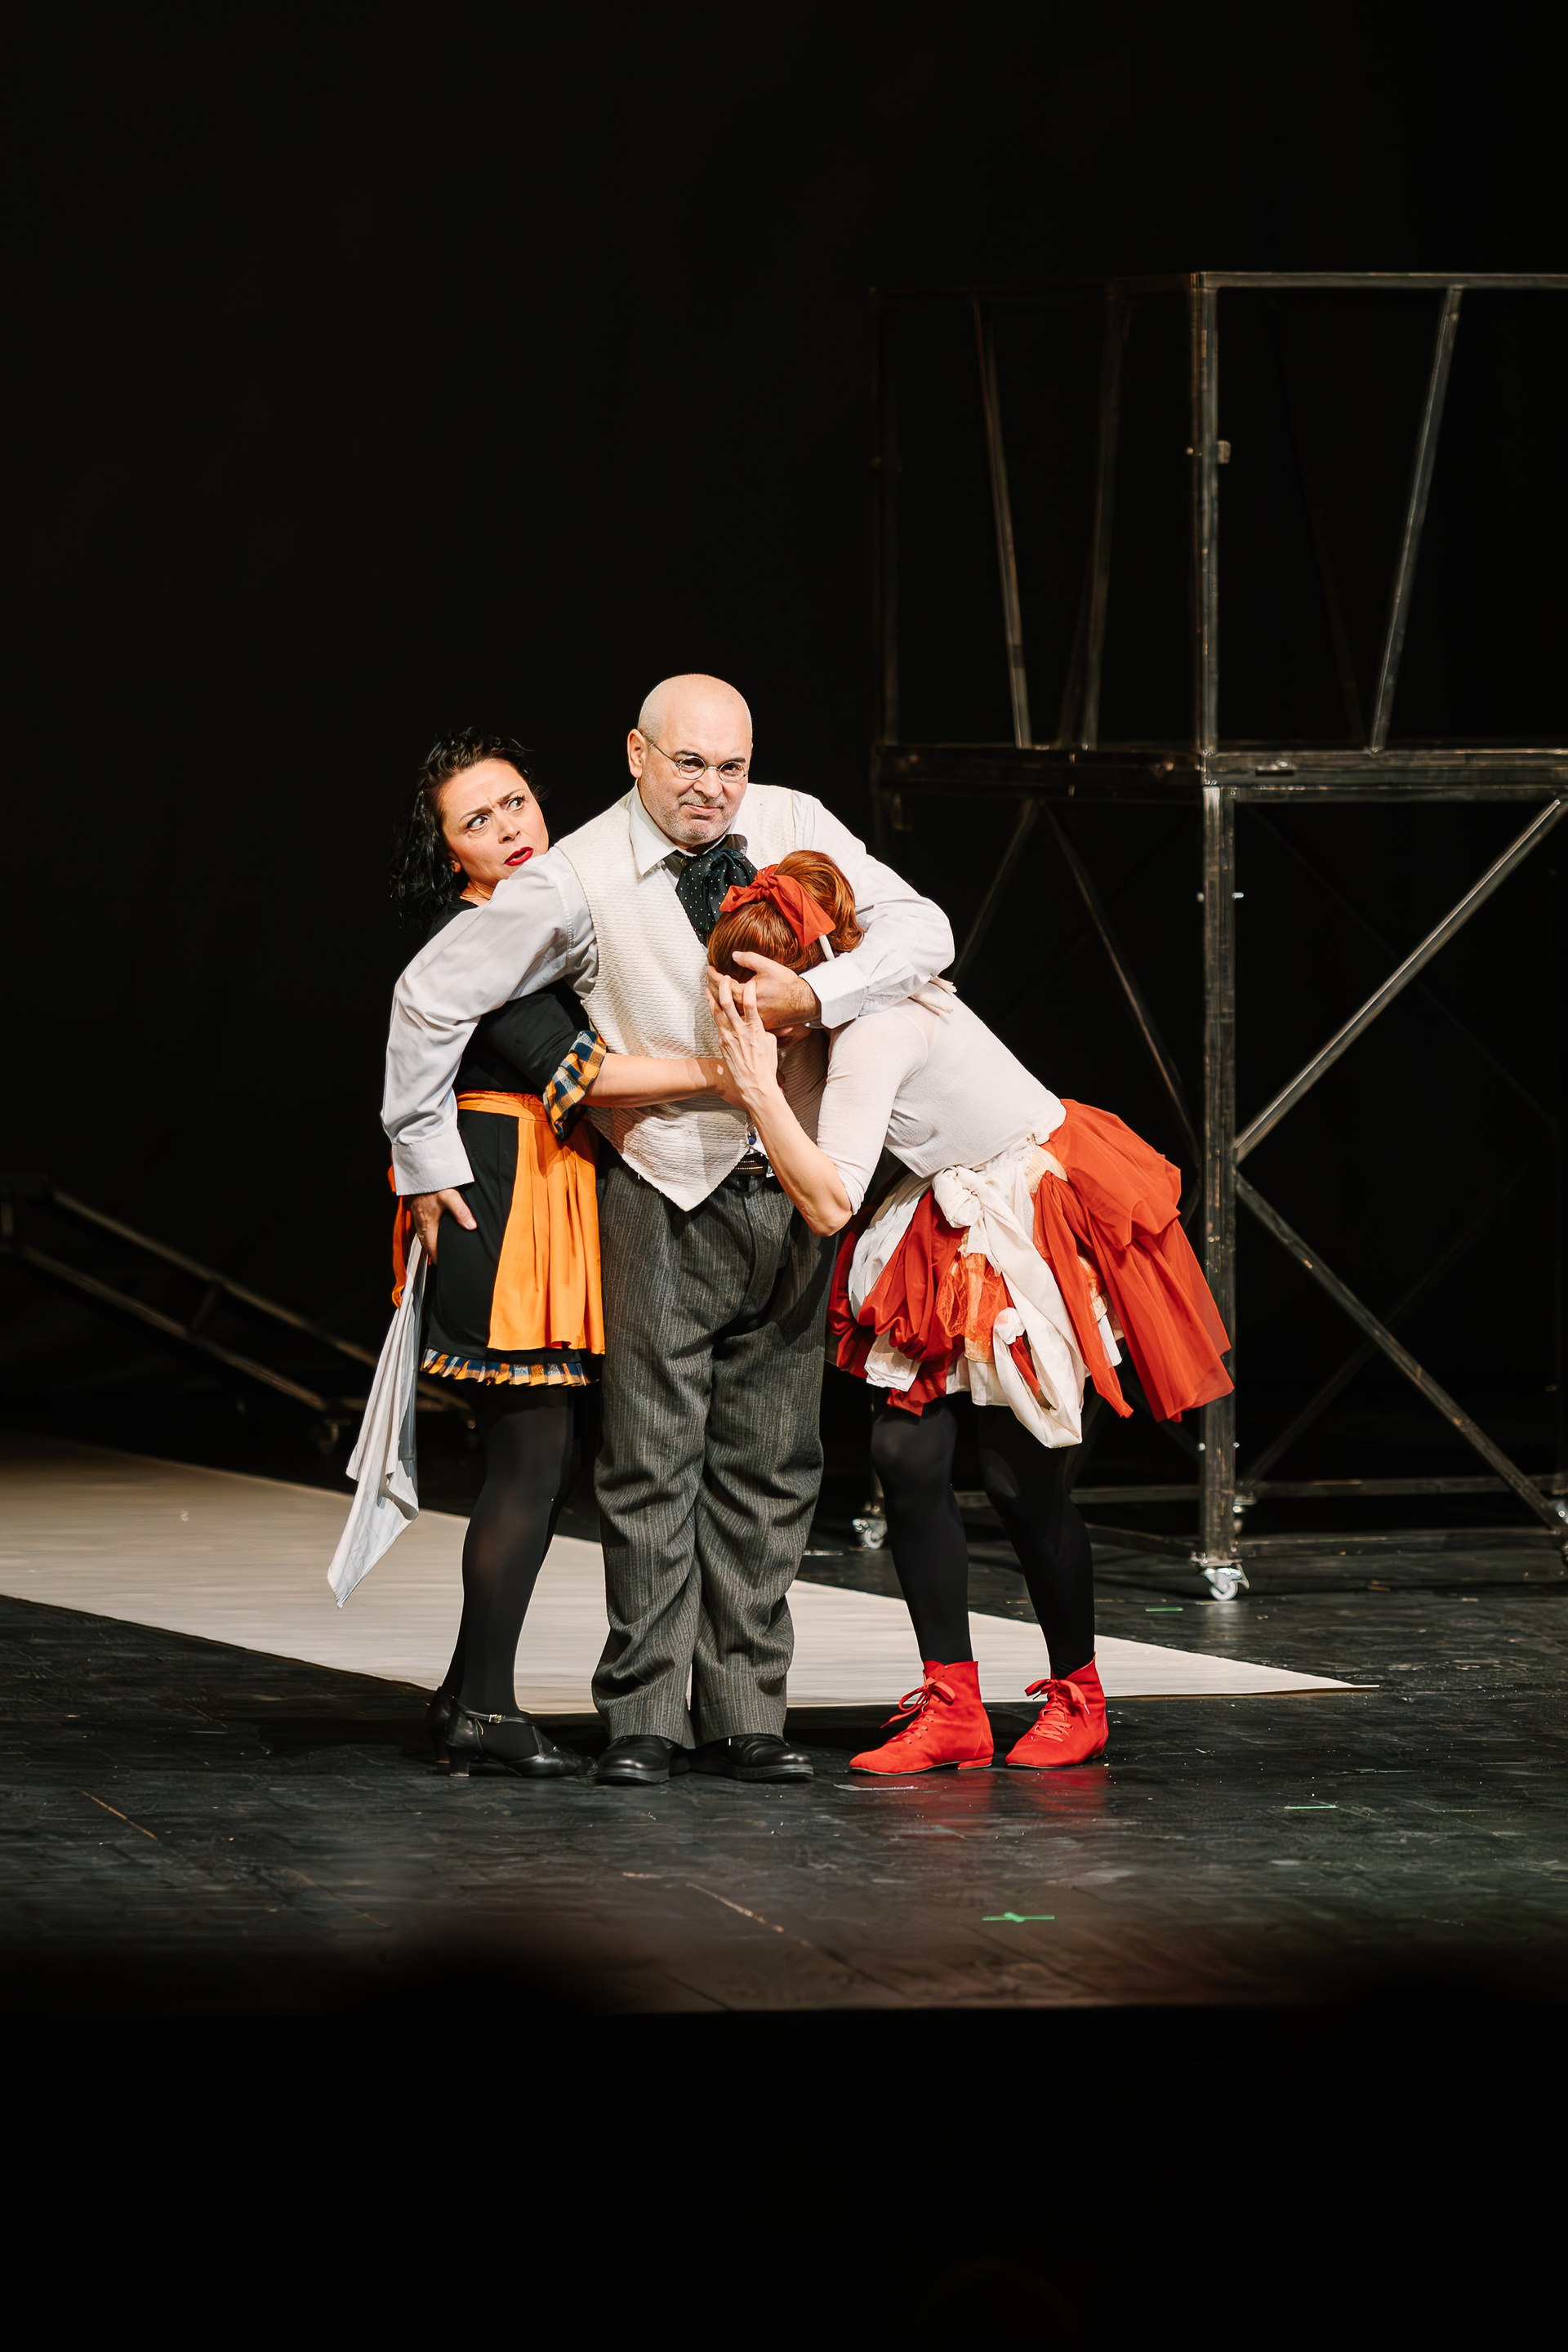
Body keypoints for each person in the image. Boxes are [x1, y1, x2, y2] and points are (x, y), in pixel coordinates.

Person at [384, 677, 953, 1786]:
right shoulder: (577, 871)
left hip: (791, 1181)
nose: (713, 789)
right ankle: (644, 1715)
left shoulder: (790, 819)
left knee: (773, 1464)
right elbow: (431, 993)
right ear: (637, 754)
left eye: (732, 766)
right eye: (690, 763)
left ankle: (746, 1712)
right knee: (650, 1463)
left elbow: (923, 929)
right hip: (661, 1187)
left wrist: (817, 999)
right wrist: (424, 1154)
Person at [706, 852, 1232, 1774]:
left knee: (1020, 1475)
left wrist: (754, 1087)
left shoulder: (875, 1031)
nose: (751, 1011)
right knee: (905, 1456)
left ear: (806, 974)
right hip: (943, 1208)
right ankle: (952, 1705)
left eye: (762, 991)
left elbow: (828, 1200)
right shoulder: (839, 1018)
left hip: (1022, 1210)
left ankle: (1080, 1697)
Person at [388, 729, 730, 1780]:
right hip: (502, 1194)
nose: (508, 828)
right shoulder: (477, 938)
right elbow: (575, 1068)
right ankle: (485, 1707)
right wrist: (731, 1071)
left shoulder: (535, 922)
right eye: (476, 821)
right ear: (451, 851)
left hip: (539, 1185)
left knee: (540, 1460)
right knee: (531, 1461)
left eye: (516, 803)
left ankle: (466, 1694)